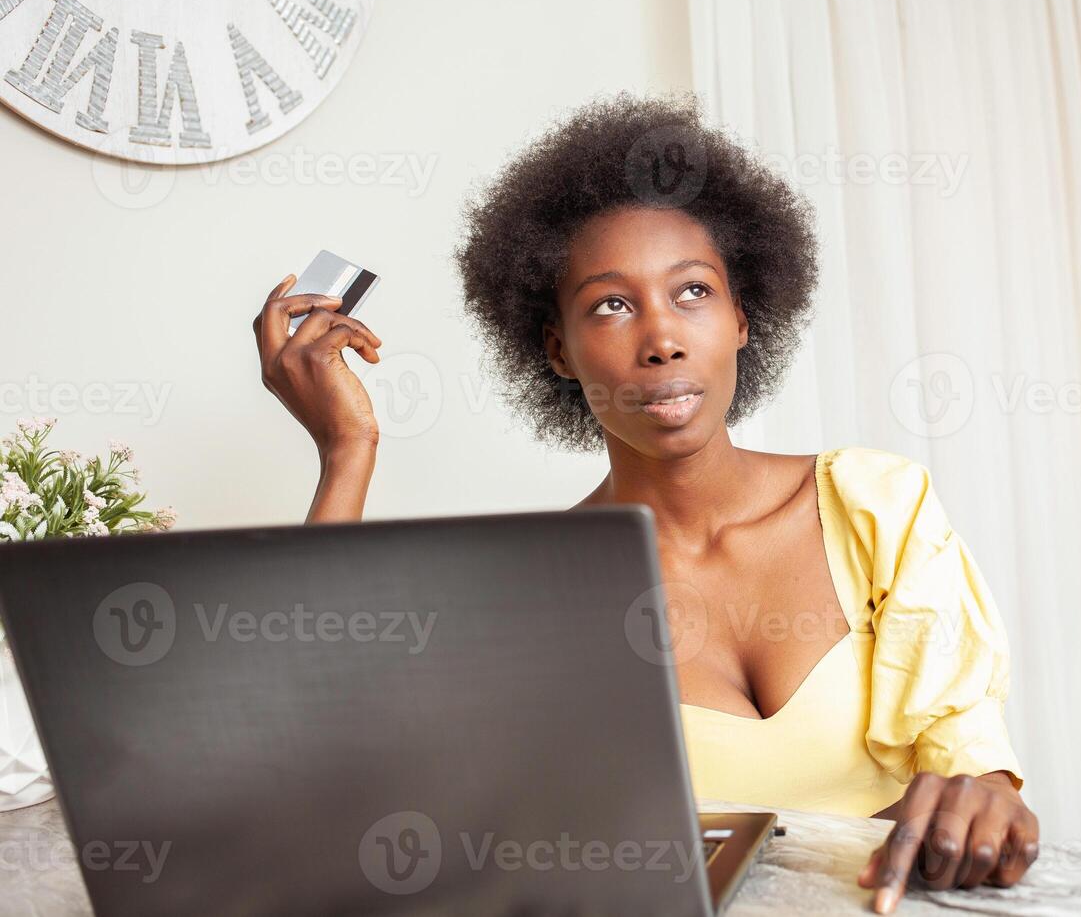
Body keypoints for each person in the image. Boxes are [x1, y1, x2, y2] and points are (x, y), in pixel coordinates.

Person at [251, 92, 1038, 913]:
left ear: (742, 316)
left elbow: (966, 754)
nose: (661, 338)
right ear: (557, 347)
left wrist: (983, 794)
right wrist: (347, 453)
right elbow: (319, 776)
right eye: (611, 305)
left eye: (693, 292)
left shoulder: (877, 505)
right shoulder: (531, 585)